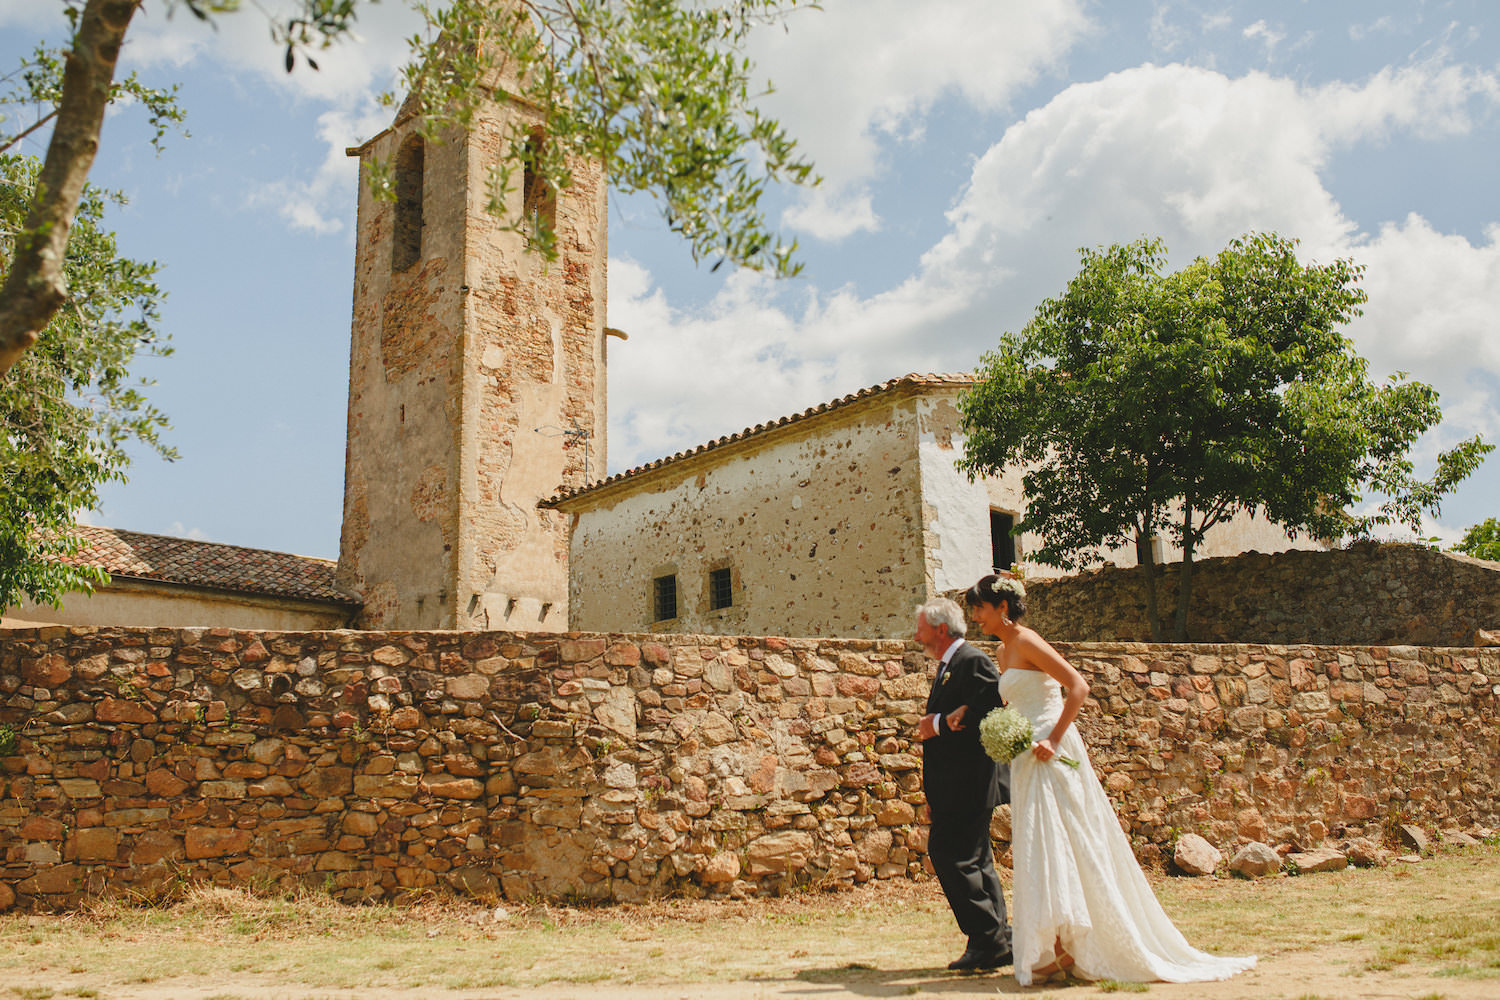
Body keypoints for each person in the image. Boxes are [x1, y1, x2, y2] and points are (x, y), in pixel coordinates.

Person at [963, 573, 1257, 985]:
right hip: (1027, 755)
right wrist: (1007, 732)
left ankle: (1080, 942)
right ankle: (1056, 947)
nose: (975, 616)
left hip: (1052, 750)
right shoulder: (1001, 649)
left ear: (1003, 608)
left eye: (979, 607)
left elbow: (1077, 687)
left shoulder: (1027, 640)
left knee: (1071, 838)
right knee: (1041, 842)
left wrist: (1052, 737)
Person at [913, 597, 1013, 972]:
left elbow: (990, 708)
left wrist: (935, 725)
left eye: (920, 627)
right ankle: (999, 938)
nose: (915, 634)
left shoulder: (971, 660)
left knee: (950, 855)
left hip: (970, 781)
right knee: (976, 860)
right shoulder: (950, 664)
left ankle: (987, 938)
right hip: (954, 784)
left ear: (940, 629)